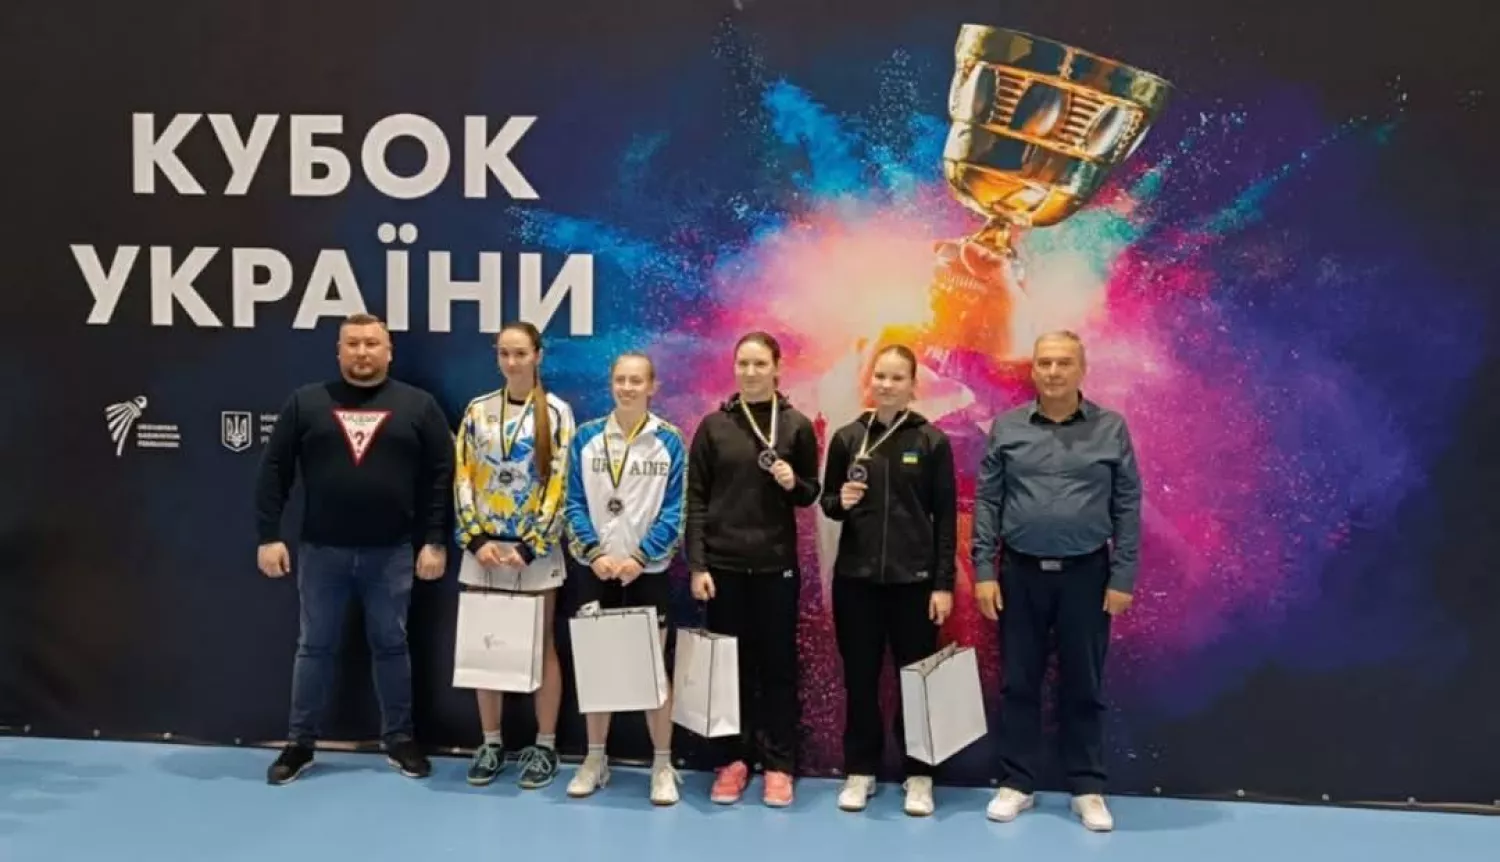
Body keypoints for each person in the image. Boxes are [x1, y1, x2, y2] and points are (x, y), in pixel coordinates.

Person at [255, 313, 453, 785]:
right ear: (338, 350)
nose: (362, 352)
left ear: (389, 351)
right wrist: (268, 535)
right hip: (321, 551)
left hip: (393, 553)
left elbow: (441, 478)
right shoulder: (305, 403)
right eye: (353, 344)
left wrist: (435, 541)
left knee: (392, 645)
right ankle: (300, 743)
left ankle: (400, 740)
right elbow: (274, 469)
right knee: (313, 647)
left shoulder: (419, 405)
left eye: (371, 343)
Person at [971, 330, 1143, 832]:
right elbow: (988, 501)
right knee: (1018, 682)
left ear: (1081, 369)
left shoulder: (1110, 428)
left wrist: (1123, 575)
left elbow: (1127, 504)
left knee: (1084, 684)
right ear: (1032, 369)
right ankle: (1017, 783)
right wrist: (984, 571)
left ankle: (1087, 787)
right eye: (1044, 362)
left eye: (1063, 362)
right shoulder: (1007, 428)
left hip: (1087, 576)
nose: (1053, 372)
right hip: (1019, 574)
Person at [819, 344, 957, 817]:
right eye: (880, 376)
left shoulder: (931, 441)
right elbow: (828, 503)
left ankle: (919, 774)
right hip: (856, 582)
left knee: (916, 682)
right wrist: (842, 500)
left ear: (913, 385)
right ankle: (861, 770)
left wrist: (942, 584)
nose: (887, 385)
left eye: (897, 378)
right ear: (869, 380)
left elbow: (945, 520)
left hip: (914, 585)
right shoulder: (847, 438)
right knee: (860, 680)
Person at [686, 331, 821, 808]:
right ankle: (733, 760)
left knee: (778, 668)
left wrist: (793, 481)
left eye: (760, 364)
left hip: (775, 567)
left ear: (777, 368)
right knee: (728, 671)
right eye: (743, 363)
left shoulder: (796, 425)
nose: (750, 372)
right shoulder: (713, 427)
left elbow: (810, 493)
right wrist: (698, 564)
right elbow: (696, 500)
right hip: (722, 568)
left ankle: (779, 764)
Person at [453, 320, 576, 790]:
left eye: (520, 353)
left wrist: (532, 544)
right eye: (504, 353)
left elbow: (560, 482)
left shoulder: (558, 413)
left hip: (533, 552)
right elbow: (462, 476)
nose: (512, 362)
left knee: (541, 645)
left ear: (538, 355)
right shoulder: (478, 410)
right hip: (484, 549)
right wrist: (475, 538)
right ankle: (490, 742)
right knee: (486, 643)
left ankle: (545, 744)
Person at [562, 352, 688, 805]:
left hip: (645, 572)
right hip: (596, 571)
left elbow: (676, 509)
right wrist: (594, 553)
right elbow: (572, 502)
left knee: (653, 670)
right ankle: (595, 759)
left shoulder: (669, 440)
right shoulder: (586, 438)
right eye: (620, 380)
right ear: (610, 383)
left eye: (637, 381)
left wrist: (640, 556)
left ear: (652, 387)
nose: (628, 388)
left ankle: (662, 764)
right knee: (597, 667)